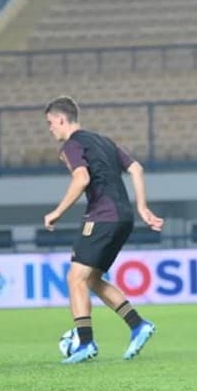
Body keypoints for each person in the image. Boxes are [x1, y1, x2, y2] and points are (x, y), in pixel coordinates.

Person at [42, 96, 162, 364]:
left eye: (50, 123)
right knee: (92, 279)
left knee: (75, 279)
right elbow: (136, 168)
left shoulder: (71, 145)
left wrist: (57, 212)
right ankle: (137, 325)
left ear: (62, 119)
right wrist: (142, 207)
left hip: (102, 217)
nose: (50, 129)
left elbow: (81, 178)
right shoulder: (104, 141)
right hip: (124, 217)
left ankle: (85, 343)